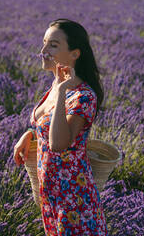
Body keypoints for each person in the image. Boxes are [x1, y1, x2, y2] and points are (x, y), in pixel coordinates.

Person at [13, 18, 108, 236]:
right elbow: (47, 127)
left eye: (53, 45)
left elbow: (58, 143)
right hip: (51, 197)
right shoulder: (54, 87)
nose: (43, 50)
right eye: (45, 43)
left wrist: (64, 89)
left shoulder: (82, 96)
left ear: (75, 54)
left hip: (74, 201)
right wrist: (29, 134)